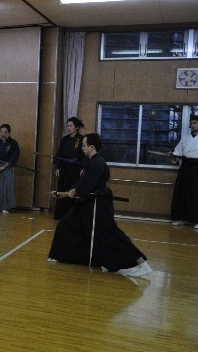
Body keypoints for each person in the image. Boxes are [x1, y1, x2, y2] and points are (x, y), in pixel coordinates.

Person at [47, 133, 152, 277]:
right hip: (87, 204)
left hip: (98, 206)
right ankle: (62, 256)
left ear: (91, 147)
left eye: (84, 145)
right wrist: (65, 193)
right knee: (66, 225)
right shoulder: (91, 162)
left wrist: (75, 191)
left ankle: (142, 264)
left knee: (111, 235)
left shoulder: (97, 163)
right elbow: (82, 182)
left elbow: (86, 185)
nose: (82, 148)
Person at [53, 117, 86, 220]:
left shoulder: (81, 139)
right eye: (67, 126)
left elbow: (84, 155)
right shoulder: (65, 139)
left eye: (70, 126)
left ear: (76, 127)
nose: (68, 128)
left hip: (75, 169)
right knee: (62, 189)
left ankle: (72, 214)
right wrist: (58, 167)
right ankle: (60, 214)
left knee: (72, 190)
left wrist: (83, 168)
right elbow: (60, 153)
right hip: (65, 168)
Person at [169, 114, 198, 228]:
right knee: (182, 191)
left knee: (195, 193)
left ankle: (197, 220)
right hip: (186, 167)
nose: (193, 125)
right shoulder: (185, 138)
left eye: (195, 123)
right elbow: (178, 152)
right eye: (191, 123)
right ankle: (181, 218)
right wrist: (173, 154)